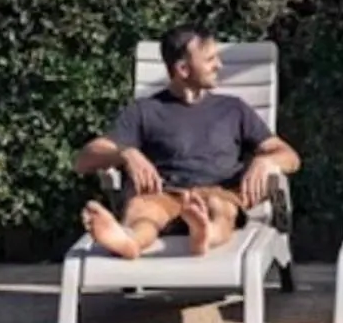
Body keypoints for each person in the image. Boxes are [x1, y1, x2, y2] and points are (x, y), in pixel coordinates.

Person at [74, 26, 300, 258]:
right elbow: (84, 159)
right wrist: (126, 153)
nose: (219, 66)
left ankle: (204, 235)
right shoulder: (146, 111)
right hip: (164, 195)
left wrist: (266, 161)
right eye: (210, 59)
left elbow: (289, 156)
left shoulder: (233, 109)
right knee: (142, 211)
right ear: (182, 69)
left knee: (222, 210)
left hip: (219, 192)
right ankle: (130, 242)